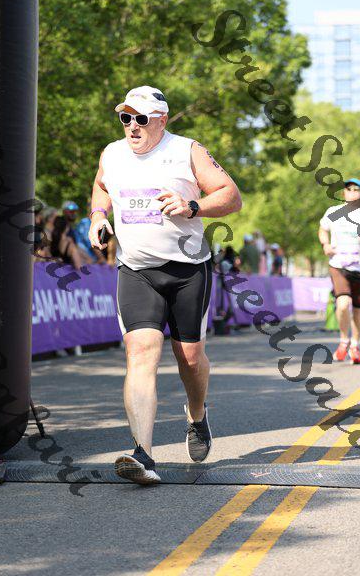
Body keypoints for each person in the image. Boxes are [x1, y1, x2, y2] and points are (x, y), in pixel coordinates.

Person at [88, 85, 242, 484]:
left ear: (162, 120)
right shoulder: (112, 153)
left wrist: (193, 206)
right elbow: (101, 186)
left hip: (187, 270)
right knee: (140, 352)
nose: (132, 126)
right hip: (136, 270)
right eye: (126, 118)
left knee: (189, 357)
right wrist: (98, 216)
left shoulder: (187, 150)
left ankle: (197, 414)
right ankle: (143, 453)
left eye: (141, 118)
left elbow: (231, 196)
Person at [318, 177, 360, 364]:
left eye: (356, 189)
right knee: (343, 304)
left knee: (358, 309)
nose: (352, 192)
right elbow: (323, 229)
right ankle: (344, 341)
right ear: (343, 192)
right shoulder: (335, 212)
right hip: (338, 264)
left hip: (359, 267)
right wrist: (325, 244)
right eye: (348, 189)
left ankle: (355, 345)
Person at [75, 197, 107, 264]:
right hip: (86, 259)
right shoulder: (86, 223)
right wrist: (102, 259)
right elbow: (91, 243)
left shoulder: (89, 222)